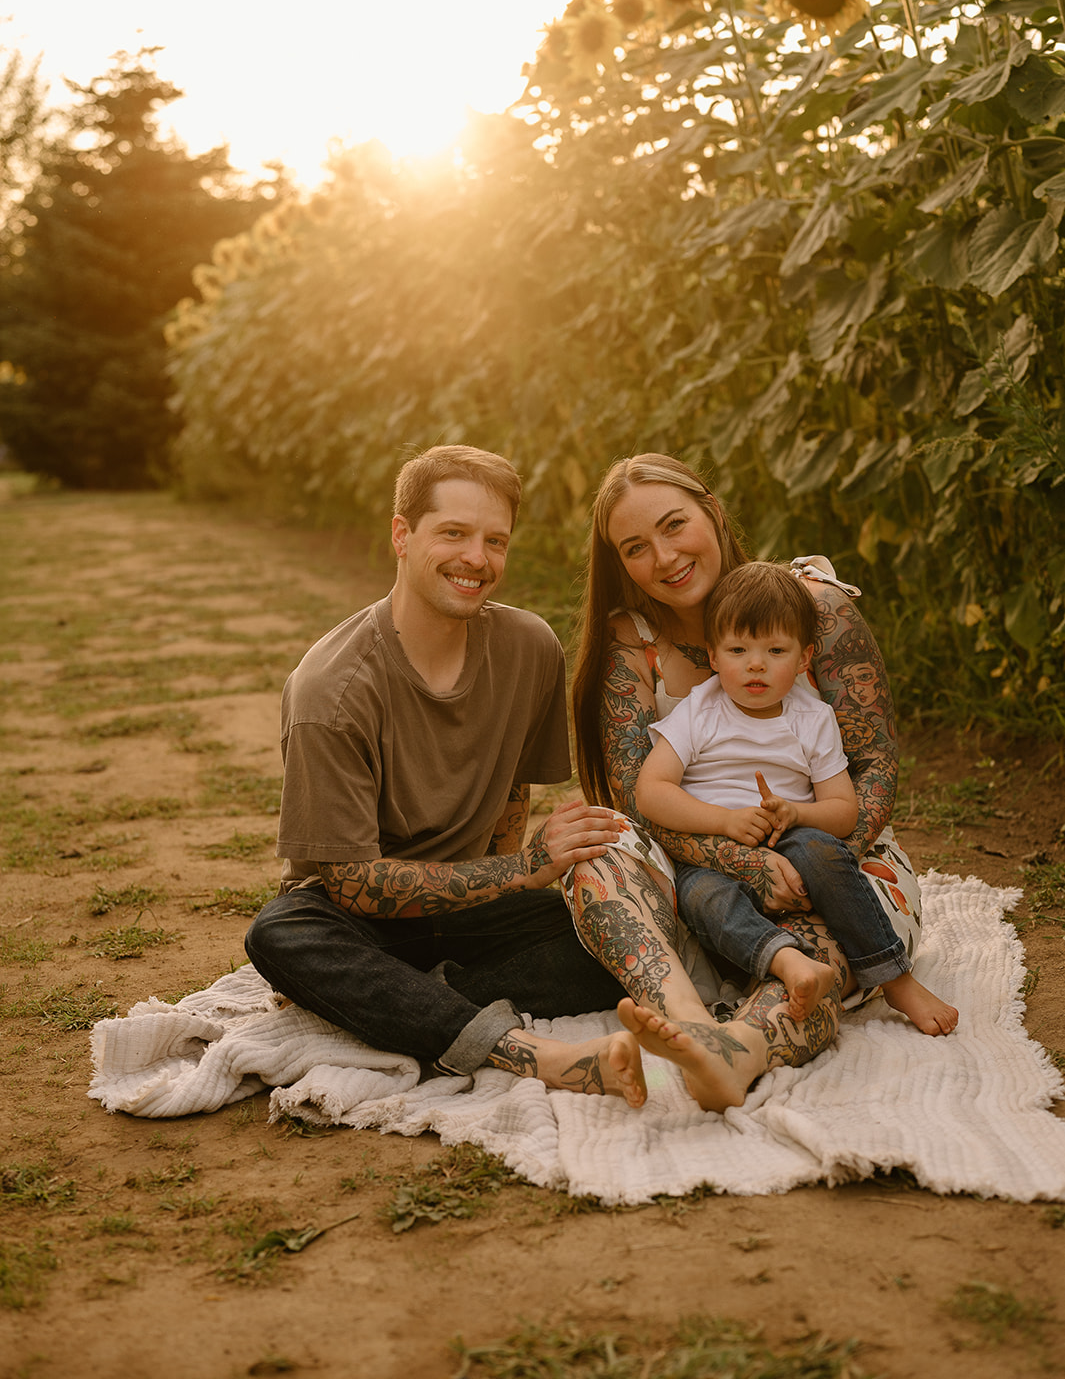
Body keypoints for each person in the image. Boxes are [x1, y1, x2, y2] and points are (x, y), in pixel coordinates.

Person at [244, 445, 649, 1107]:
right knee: (280, 933)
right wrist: (519, 871)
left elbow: (512, 797)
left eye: (495, 540)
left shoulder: (529, 649)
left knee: (621, 923)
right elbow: (354, 886)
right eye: (454, 533)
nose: (477, 559)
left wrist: (508, 891)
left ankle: (398, 1001)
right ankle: (537, 1055)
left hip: (471, 915)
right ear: (402, 535)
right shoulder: (332, 690)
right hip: (357, 920)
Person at [569, 453, 943, 1108]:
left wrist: (817, 863)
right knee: (595, 849)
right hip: (703, 865)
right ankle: (682, 1017)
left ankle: (739, 1048)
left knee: (819, 957)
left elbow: (875, 766)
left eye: (673, 525)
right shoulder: (632, 645)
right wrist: (743, 861)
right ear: (619, 563)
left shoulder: (810, 607)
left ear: (711, 513)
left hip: (830, 858)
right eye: (635, 547)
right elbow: (640, 797)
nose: (662, 556)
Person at [634, 560, 958, 1034]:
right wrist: (723, 822)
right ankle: (788, 962)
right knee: (701, 896)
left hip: (792, 841)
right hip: (712, 853)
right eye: (738, 649)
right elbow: (651, 792)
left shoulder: (812, 718)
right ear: (715, 654)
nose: (756, 663)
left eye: (775, 649)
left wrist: (797, 812)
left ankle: (893, 977)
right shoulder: (699, 711)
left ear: (805, 659)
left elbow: (844, 811)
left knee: (823, 851)